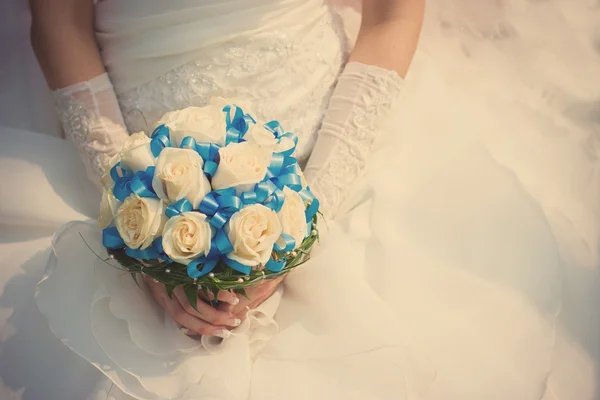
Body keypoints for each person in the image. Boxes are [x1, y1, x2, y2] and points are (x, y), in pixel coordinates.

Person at [0, 0, 598, 399]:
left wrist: (307, 218)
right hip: (132, 155)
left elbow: (393, 14)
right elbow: (60, 23)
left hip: (331, 147)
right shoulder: (134, 207)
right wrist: (137, 226)